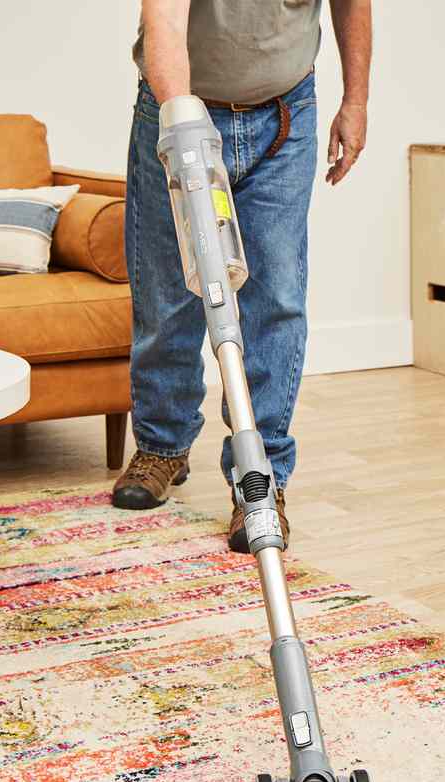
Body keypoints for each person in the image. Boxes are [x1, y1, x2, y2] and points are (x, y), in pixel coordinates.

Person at [112, 0, 372, 553]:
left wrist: (356, 99)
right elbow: (164, 23)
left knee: (275, 297)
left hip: (285, 116)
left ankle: (261, 477)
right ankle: (162, 445)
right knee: (166, 291)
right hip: (179, 108)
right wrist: (181, 127)